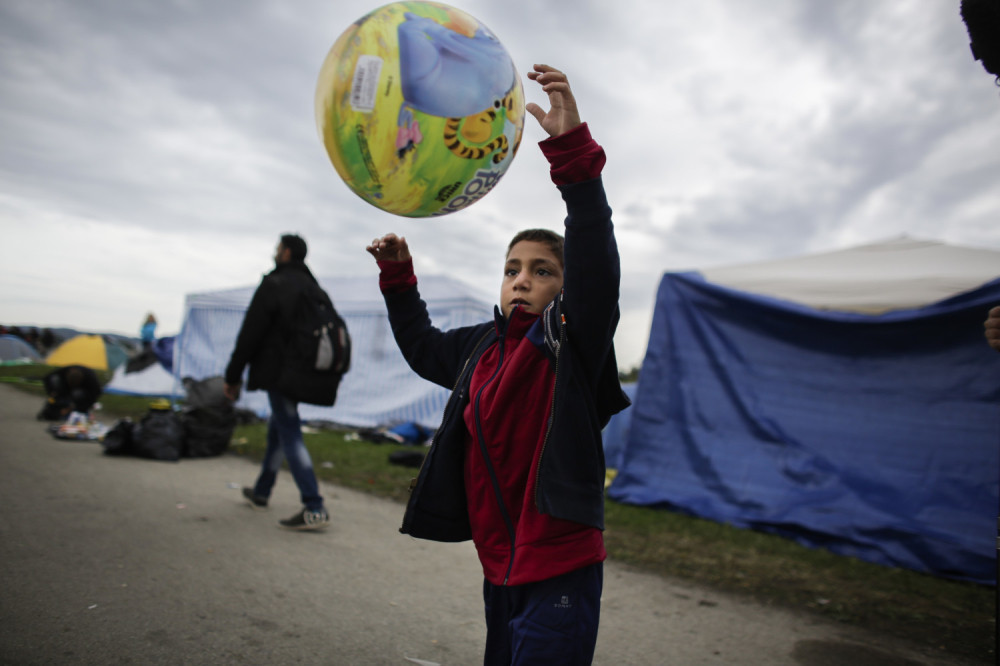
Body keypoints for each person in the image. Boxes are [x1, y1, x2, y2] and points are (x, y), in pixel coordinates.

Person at [366, 64, 630, 665]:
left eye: (542, 271)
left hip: (559, 561)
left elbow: (595, 264)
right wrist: (399, 281)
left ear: (564, 288)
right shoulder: (481, 347)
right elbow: (421, 347)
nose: (522, 280)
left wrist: (572, 157)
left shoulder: (570, 340)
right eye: (513, 268)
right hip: (499, 562)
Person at [223, 234, 330, 531]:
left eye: (277, 248)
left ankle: (314, 506)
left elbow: (250, 333)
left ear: (286, 253)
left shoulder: (275, 284)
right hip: (305, 372)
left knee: (290, 431)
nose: (275, 253)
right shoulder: (313, 288)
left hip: (279, 371)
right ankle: (261, 492)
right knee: (279, 428)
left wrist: (233, 376)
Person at [38, 364, 102, 421]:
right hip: (64, 387)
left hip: (82, 391)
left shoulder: (91, 378)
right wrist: (51, 392)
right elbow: (47, 378)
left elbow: (97, 393)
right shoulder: (65, 370)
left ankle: (76, 410)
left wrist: (81, 407)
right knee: (55, 380)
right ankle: (56, 407)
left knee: (77, 394)